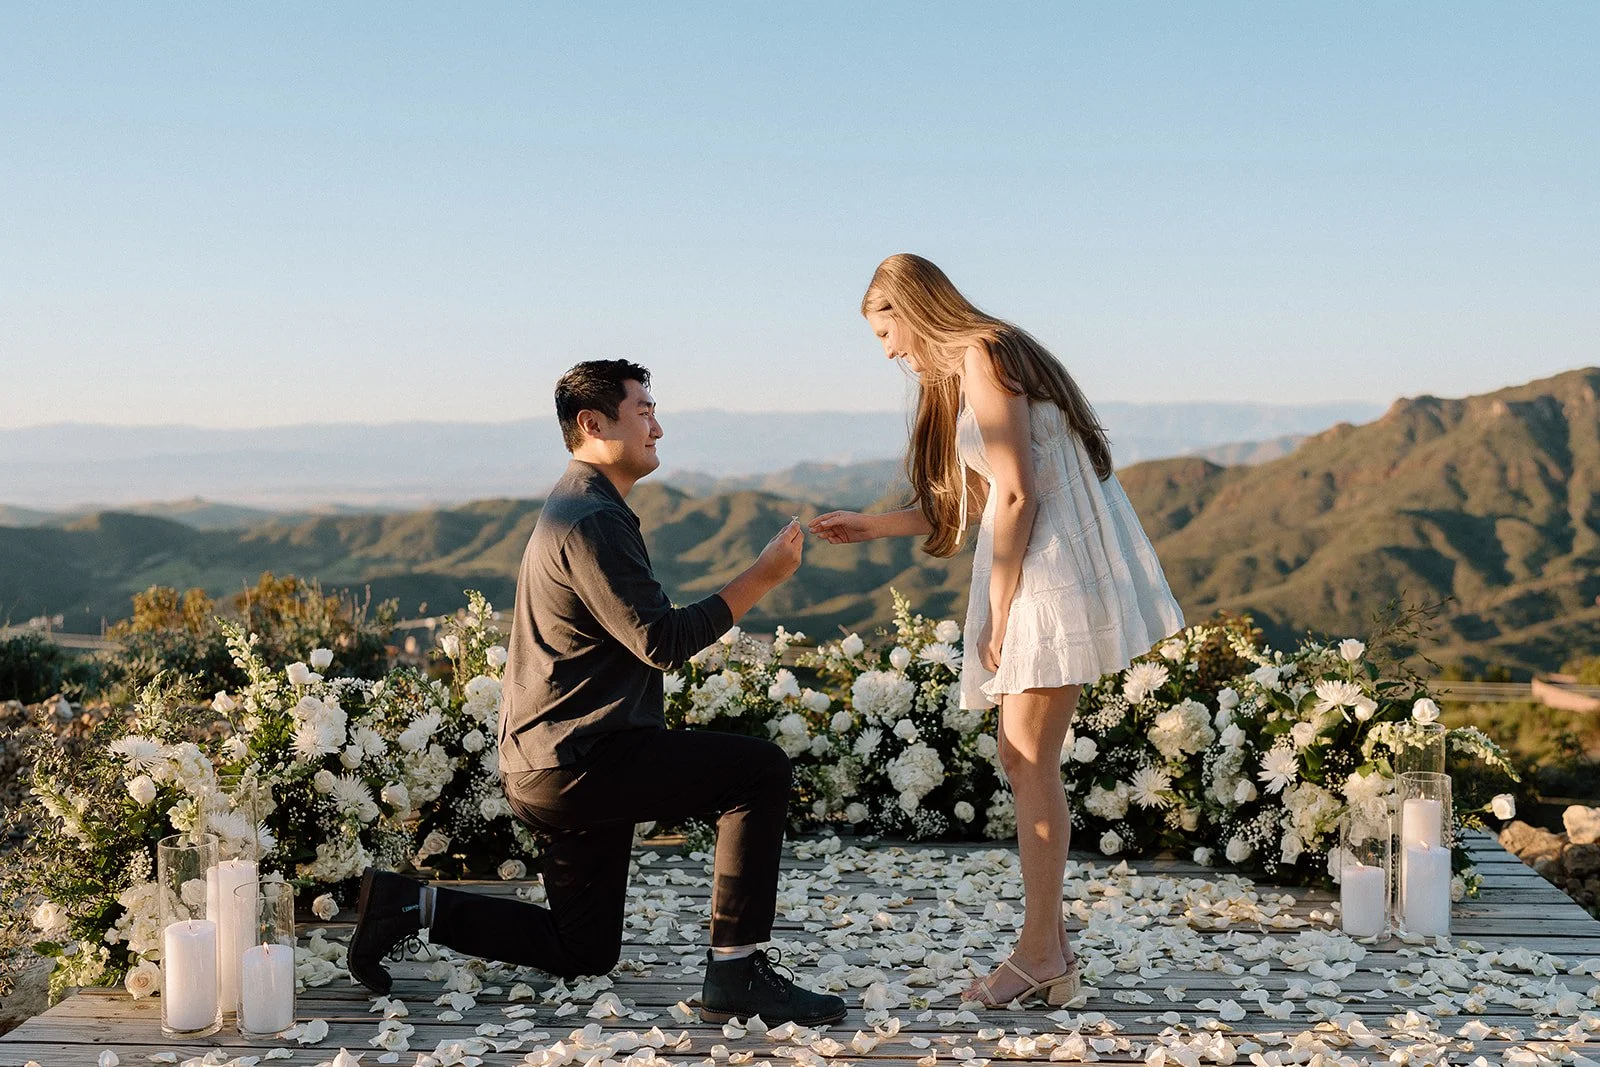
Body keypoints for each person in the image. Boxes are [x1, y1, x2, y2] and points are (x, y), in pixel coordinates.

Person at [349, 359, 847, 1026]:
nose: (657, 428)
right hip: (577, 763)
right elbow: (662, 641)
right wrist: (764, 574)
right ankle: (736, 972)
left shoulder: (583, 506)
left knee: (583, 947)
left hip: (554, 760)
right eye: (644, 412)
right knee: (759, 772)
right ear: (593, 423)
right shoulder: (590, 519)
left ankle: (407, 905)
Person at [810, 254, 1184, 1008]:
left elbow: (1015, 495)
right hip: (1043, 565)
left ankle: (1040, 953)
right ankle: (1053, 951)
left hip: (1047, 572)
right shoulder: (990, 359)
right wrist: (872, 526)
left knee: (1028, 760)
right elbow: (979, 500)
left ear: (915, 309)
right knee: (1023, 757)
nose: (888, 350)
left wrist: (1003, 607)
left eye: (886, 331)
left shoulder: (984, 355)